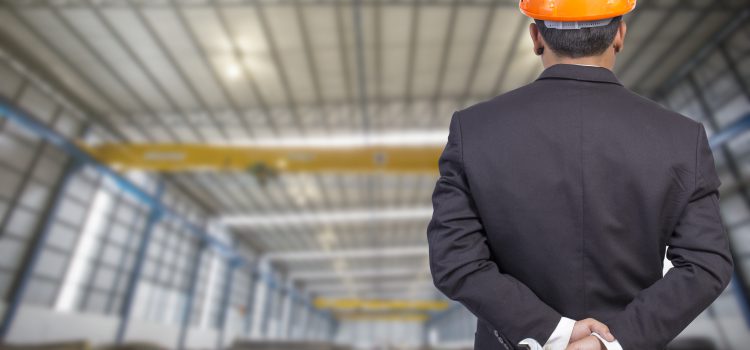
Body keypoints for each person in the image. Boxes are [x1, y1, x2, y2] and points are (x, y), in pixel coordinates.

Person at [425, 0, 735, 349]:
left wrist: (552, 331)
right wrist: (613, 340)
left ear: (536, 37)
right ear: (619, 35)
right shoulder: (681, 137)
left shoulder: (474, 130)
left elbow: (454, 260)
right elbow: (706, 265)